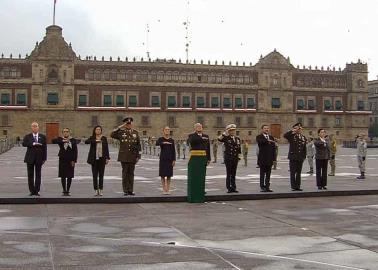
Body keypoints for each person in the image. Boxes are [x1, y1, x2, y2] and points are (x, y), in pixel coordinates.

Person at [111, 117, 141, 195]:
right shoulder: (121, 132)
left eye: (130, 124)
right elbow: (112, 134)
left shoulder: (135, 133)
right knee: (125, 174)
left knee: (131, 174)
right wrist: (120, 127)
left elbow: (138, 145)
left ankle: (130, 190)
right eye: (127, 124)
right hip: (124, 156)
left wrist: (138, 156)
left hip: (133, 156)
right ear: (125, 125)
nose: (129, 125)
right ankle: (125, 190)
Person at [22, 122, 47, 196]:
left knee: (38, 174)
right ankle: (32, 190)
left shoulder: (42, 136)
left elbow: (45, 148)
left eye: (36, 126)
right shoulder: (28, 136)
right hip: (30, 158)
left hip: (39, 158)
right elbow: (24, 144)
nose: (34, 128)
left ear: (38, 127)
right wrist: (33, 143)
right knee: (30, 175)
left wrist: (44, 158)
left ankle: (37, 190)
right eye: (33, 126)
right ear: (31, 128)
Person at [52, 128, 78, 196]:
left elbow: (75, 151)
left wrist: (74, 160)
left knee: (70, 175)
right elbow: (53, 141)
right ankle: (64, 190)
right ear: (62, 133)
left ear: (69, 132)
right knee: (63, 175)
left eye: (67, 132)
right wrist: (64, 140)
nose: (66, 133)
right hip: (62, 159)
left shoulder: (73, 140)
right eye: (64, 132)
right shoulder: (60, 139)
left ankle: (68, 190)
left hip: (70, 160)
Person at [85, 125, 110, 196]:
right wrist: (95, 141)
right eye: (97, 129)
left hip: (102, 158)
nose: (98, 131)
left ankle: (101, 189)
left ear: (101, 130)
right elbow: (86, 142)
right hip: (94, 159)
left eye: (99, 129)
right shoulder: (92, 137)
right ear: (94, 131)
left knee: (101, 175)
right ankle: (96, 189)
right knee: (95, 175)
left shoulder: (104, 138)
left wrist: (107, 158)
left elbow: (106, 148)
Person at [218, 124, 241, 193]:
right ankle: (229, 187)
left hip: (235, 158)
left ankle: (234, 187)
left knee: (233, 173)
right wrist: (225, 133)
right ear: (229, 131)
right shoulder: (226, 138)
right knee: (229, 173)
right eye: (231, 130)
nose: (232, 132)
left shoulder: (237, 139)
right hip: (228, 158)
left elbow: (238, 148)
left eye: (233, 130)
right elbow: (219, 139)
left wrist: (239, 156)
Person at [284, 122, 307, 191]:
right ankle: (293, 186)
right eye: (297, 128)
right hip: (293, 157)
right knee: (293, 172)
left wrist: (304, 156)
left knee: (298, 172)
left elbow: (304, 148)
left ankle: (298, 186)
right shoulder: (291, 136)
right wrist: (293, 131)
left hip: (300, 157)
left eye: (299, 128)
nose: (298, 130)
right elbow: (285, 135)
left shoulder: (303, 137)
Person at [256, 125, 276, 192]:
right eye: (265, 128)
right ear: (262, 129)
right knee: (262, 174)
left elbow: (273, 149)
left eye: (267, 128)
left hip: (269, 159)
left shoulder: (271, 137)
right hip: (262, 159)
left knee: (268, 174)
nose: (266, 129)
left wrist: (274, 159)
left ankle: (267, 186)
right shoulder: (259, 137)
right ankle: (262, 186)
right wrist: (268, 140)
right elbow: (260, 142)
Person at [156, 127, 176, 195]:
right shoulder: (160, 139)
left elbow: (173, 151)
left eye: (168, 130)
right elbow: (157, 145)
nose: (167, 131)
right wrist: (162, 142)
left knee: (169, 175)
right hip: (163, 159)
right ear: (163, 131)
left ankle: (168, 189)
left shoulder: (172, 140)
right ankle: (164, 189)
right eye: (166, 130)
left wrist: (174, 160)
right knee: (162, 175)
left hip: (170, 159)